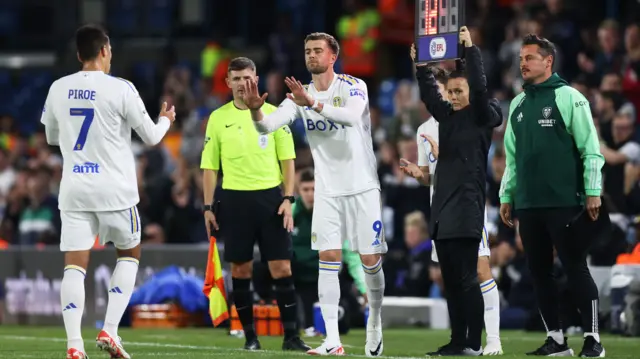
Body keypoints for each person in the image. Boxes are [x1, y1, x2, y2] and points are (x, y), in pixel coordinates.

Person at [242, 32, 387, 356]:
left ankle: (374, 319)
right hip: (328, 191)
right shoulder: (299, 95)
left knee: (369, 261)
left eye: (317, 50)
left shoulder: (353, 86)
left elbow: (350, 118)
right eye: (307, 50)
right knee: (328, 258)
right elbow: (267, 126)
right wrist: (255, 111)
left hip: (362, 187)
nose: (311, 55)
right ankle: (332, 340)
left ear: (332, 56)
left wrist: (315, 105)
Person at [41, 24, 175, 359]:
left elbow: (52, 138)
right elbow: (152, 137)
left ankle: (74, 346)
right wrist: (166, 120)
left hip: (74, 190)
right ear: (104, 51)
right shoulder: (122, 89)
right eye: (110, 51)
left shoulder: (58, 88)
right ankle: (110, 330)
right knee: (129, 254)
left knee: (74, 265)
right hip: (115, 190)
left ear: (78, 55)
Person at [499, 34, 606, 358]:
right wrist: (507, 195)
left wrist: (592, 192)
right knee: (539, 272)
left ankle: (593, 340)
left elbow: (592, 151)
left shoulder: (570, 97)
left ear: (548, 61)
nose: (523, 63)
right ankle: (556, 340)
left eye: (530, 57)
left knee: (575, 267)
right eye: (521, 58)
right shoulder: (516, 105)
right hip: (529, 205)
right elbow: (512, 159)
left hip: (565, 201)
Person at [200, 57, 310, 352]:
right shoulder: (217, 117)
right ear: (227, 83)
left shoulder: (274, 115)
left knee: (281, 268)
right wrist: (208, 207)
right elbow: (209, 167)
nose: (242, 84)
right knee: (241, 270)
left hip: (270, 200)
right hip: (234, 200)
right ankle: (250, 337)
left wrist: (288, 199)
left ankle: (291, 337)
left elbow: (289, 163)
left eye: (247, 78)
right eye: (236, 79)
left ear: (256, 80)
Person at [406, 27, 502, 356]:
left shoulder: (480, 116)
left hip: (467, 207)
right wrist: (420, 68)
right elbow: (430, 95)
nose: (456, 95)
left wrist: (471, 49)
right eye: (452, 91)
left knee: (466, 279)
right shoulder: (444, 118)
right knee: (451, 281)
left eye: (460, 90)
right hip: (443, 209)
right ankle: (457, 340)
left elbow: (480, 85)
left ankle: (473, 343)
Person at [290, 168, 368, 334]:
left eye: (314, 189)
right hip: (300, 280)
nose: (310, 194)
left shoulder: (332, 215)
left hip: (326, 277)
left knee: (349, 322)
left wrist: (364, 287)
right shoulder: (290, 213)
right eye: (306, 189)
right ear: (298, 190)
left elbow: (350, 254)